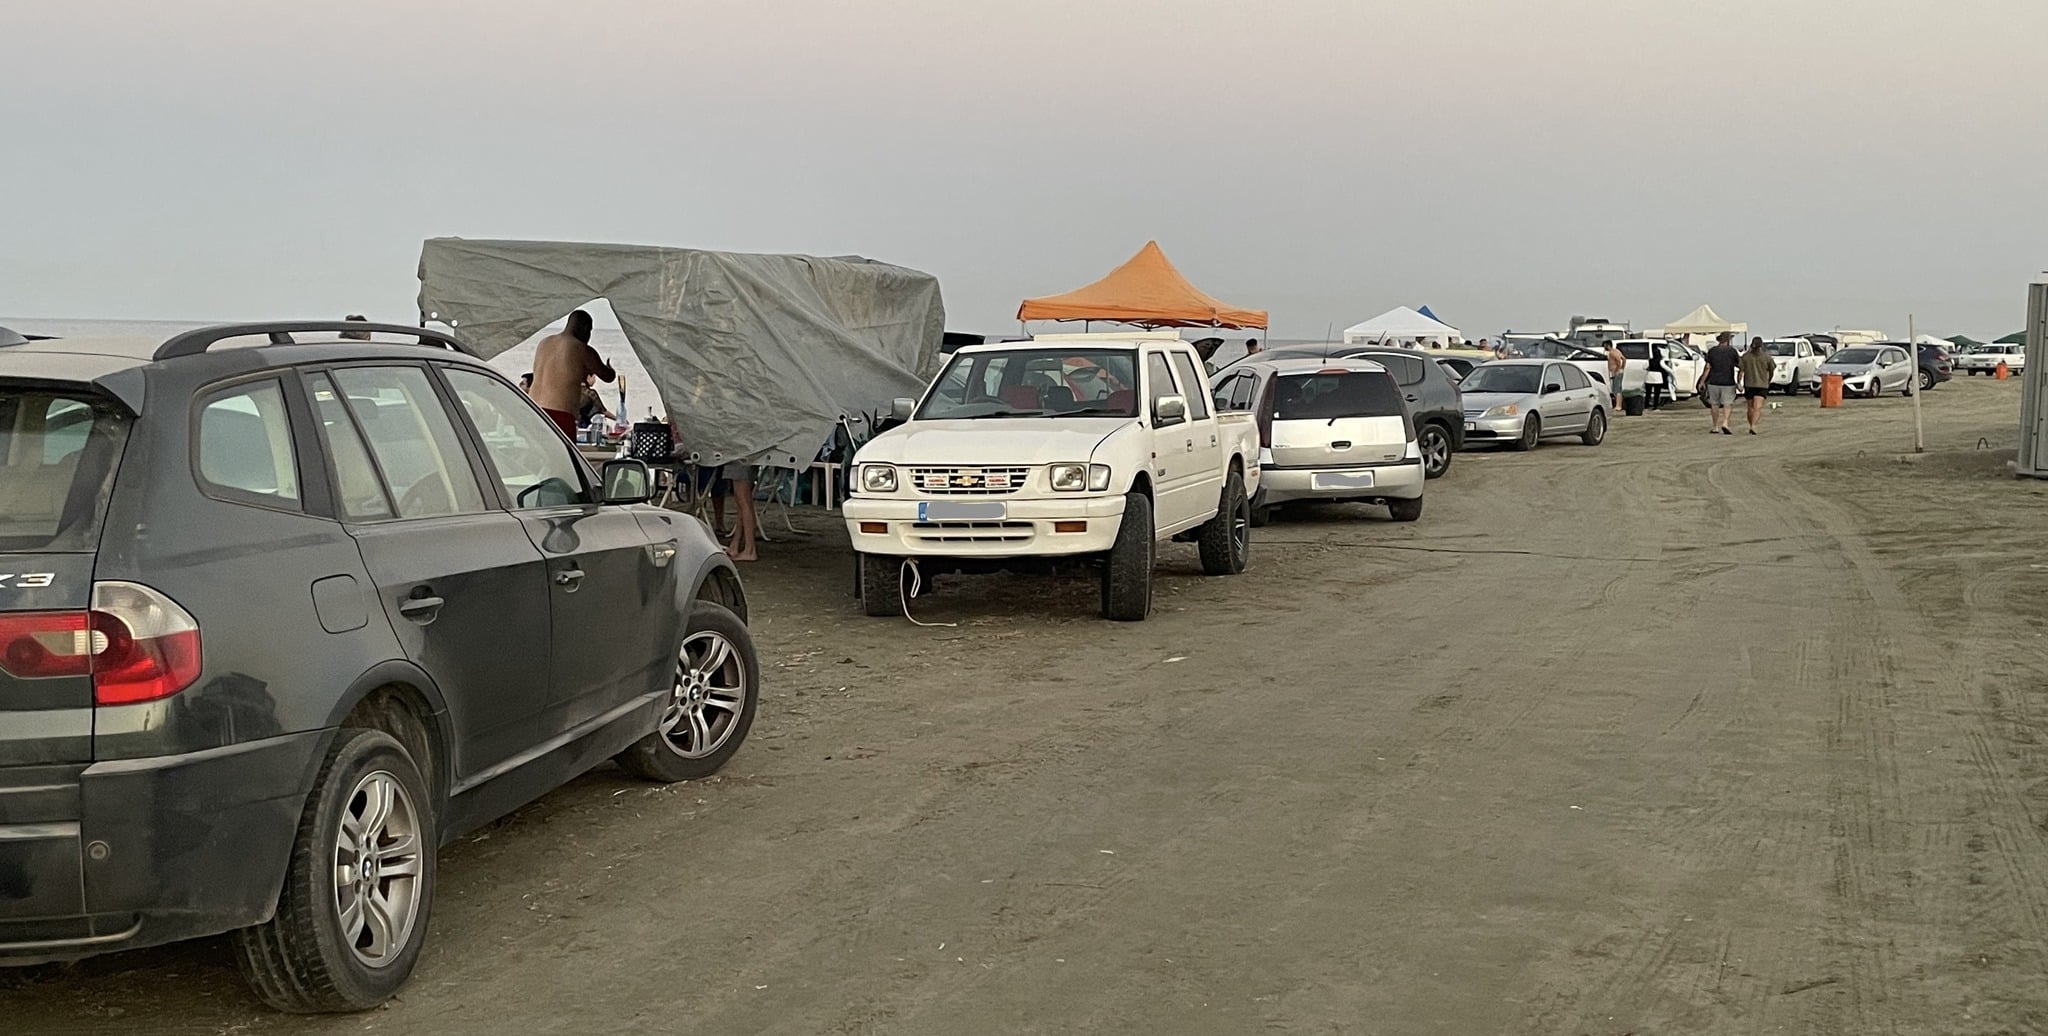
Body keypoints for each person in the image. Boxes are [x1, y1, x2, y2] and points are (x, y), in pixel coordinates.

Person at [529, 310, 615, 438]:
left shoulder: (544, 343)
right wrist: (610, 368)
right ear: (586, 328)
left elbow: (559, 373)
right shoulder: (582, 349)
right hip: (559, 417)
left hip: (533, 412)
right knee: (561, 458)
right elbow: (608, 376)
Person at [1700, 331, 1741, 435]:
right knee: (1727, 404)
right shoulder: (1732, 351)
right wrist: (1739, 381)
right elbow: (1740, 366)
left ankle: (1715, 427)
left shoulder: (1712, 351)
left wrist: (1702, 381)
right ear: (1727, 341)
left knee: (1714, 404)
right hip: (1728, 382)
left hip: (1713, 382)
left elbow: (1708, 367)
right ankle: (1725, 422)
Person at [1738, 336, 1775, 435]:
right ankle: (1754, 425)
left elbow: (1741, 371)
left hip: (1749, 384)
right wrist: (1769, 380)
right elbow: (1772, 370)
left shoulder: (1746, 357)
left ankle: (1751, 425)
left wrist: (1739, 382)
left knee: (1750, 407)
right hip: (1762, 384)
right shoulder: (1766, 357)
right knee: (1757, 407)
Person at [723, 462, 759, 562]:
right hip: (747, 456)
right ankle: (736, 544)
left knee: (743, 500)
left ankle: (750, 549)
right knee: (742, 501)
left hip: (741, 457)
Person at [1605, 340, 1627, 411]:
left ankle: (1618, 406)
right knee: (1618, 389)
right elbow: (1624, 359)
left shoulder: (1612, 353)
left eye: (1605, 346)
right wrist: (1622, 368)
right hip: (1618, 372)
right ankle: (1619, 405)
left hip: (1616, 372)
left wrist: (1617, 369)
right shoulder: (1617, 351)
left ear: (1608, 345)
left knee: (1617, 389)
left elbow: (1618, 360)